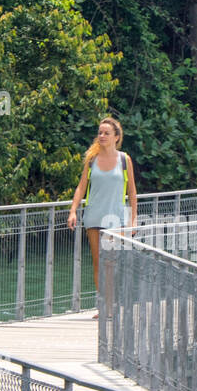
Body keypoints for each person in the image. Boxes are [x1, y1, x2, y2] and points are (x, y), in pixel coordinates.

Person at [67, 117, 138, 311]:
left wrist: (133, 219)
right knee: (98, 262)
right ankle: (104, 305)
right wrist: (73, 211)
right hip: (93, 216)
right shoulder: (92, 160)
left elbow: (132, 191)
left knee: (111, 262)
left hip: (115, 218)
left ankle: (113, 302)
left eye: (106, 133)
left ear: (116, 137)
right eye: (100, 132)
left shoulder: (124, 159)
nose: (102, 136)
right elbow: (81, 187)